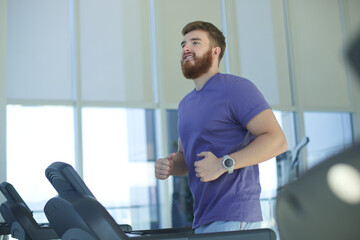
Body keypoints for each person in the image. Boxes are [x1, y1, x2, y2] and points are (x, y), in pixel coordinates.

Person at [155, 21, 287, 234]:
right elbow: (186, 159)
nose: (186, 48)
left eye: (195, 42)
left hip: (235, 216)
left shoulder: (237, 89)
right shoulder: (185, 104)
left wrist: (223, 164)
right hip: (203, 218)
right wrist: (171, 167)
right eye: (183, 44)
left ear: (215, 51)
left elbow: (277, 140)